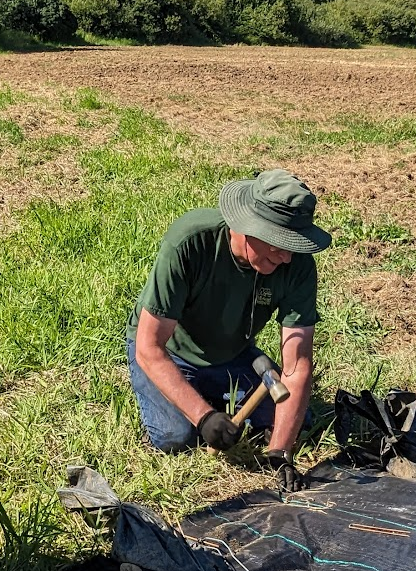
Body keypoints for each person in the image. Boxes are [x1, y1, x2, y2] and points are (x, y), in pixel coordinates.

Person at [127, 169, 330, 491]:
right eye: (279, 243)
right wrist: (204, 417)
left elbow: (297, 365)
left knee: (294, 422)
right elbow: (149, 347)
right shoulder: (191, 242)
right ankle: (202, 400)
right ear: (248, 227)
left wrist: (280, 452)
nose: (287, 256)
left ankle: (217, 392)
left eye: (294, 244)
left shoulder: (297, 265)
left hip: (233, 351)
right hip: (172, 351)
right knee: (175, 438)